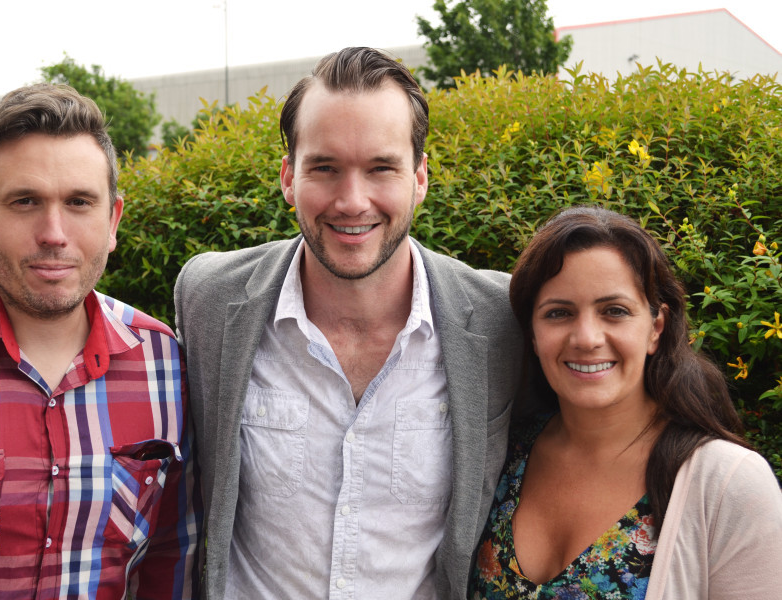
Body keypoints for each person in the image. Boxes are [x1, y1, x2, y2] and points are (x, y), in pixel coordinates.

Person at [174, 47, 524, 599]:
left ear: (420, 178)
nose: (352, 200)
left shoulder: (500, 319)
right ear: (290, 177)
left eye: (381, 167)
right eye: (325, 168)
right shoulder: (210, 300)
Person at [0, 83, 201, 598]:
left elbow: (169, 559)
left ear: (113, 219)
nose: (54, 232)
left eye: (79, 202)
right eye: (25, 201)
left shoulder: (163, 364)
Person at [470, 205, 782, 599]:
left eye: (614, 311)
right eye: (558, 313)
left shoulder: (729, 485)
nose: (586, 338)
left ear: (656, 328)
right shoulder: (503, 452)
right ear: (532, 334)